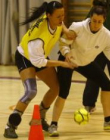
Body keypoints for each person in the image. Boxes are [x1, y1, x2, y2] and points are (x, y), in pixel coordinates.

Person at [47, 5, 110, 137]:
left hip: (85, 62)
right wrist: (67, 54)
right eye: (94, 21)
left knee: (106, 84)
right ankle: (53, 125)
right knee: (63, 92)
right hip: (68, 60)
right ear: (91, 18)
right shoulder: (77, 27)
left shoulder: (107, 36)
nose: (96, 24)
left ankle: (108, 121)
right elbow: (63, 43)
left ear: (104, 20)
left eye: (100, 22)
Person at [3, 1, 75, 139]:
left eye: (63, 16)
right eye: (58, 17)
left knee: (56, 88)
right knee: (31, 91)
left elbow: (60, 23)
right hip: (26, 57)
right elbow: (40, 62)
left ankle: (40, 119)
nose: (62, 19)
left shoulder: (55, 20)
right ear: (48, 16)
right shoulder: (38, 38)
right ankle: (10, 126)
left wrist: (65, 30)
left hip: (39, 55)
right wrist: (62, 63)